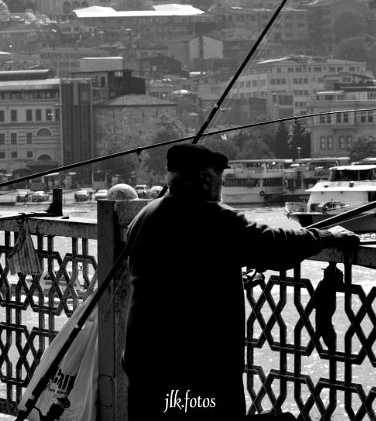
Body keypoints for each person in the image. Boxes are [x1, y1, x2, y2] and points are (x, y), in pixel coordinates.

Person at [121, 143, 359, 420]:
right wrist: (325, 237)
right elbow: (272, 246)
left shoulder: (143, 218)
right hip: (195, 375)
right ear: (206, 179)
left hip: (144, 367)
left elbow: (180, 274)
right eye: (220, 182)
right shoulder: (212, 217)